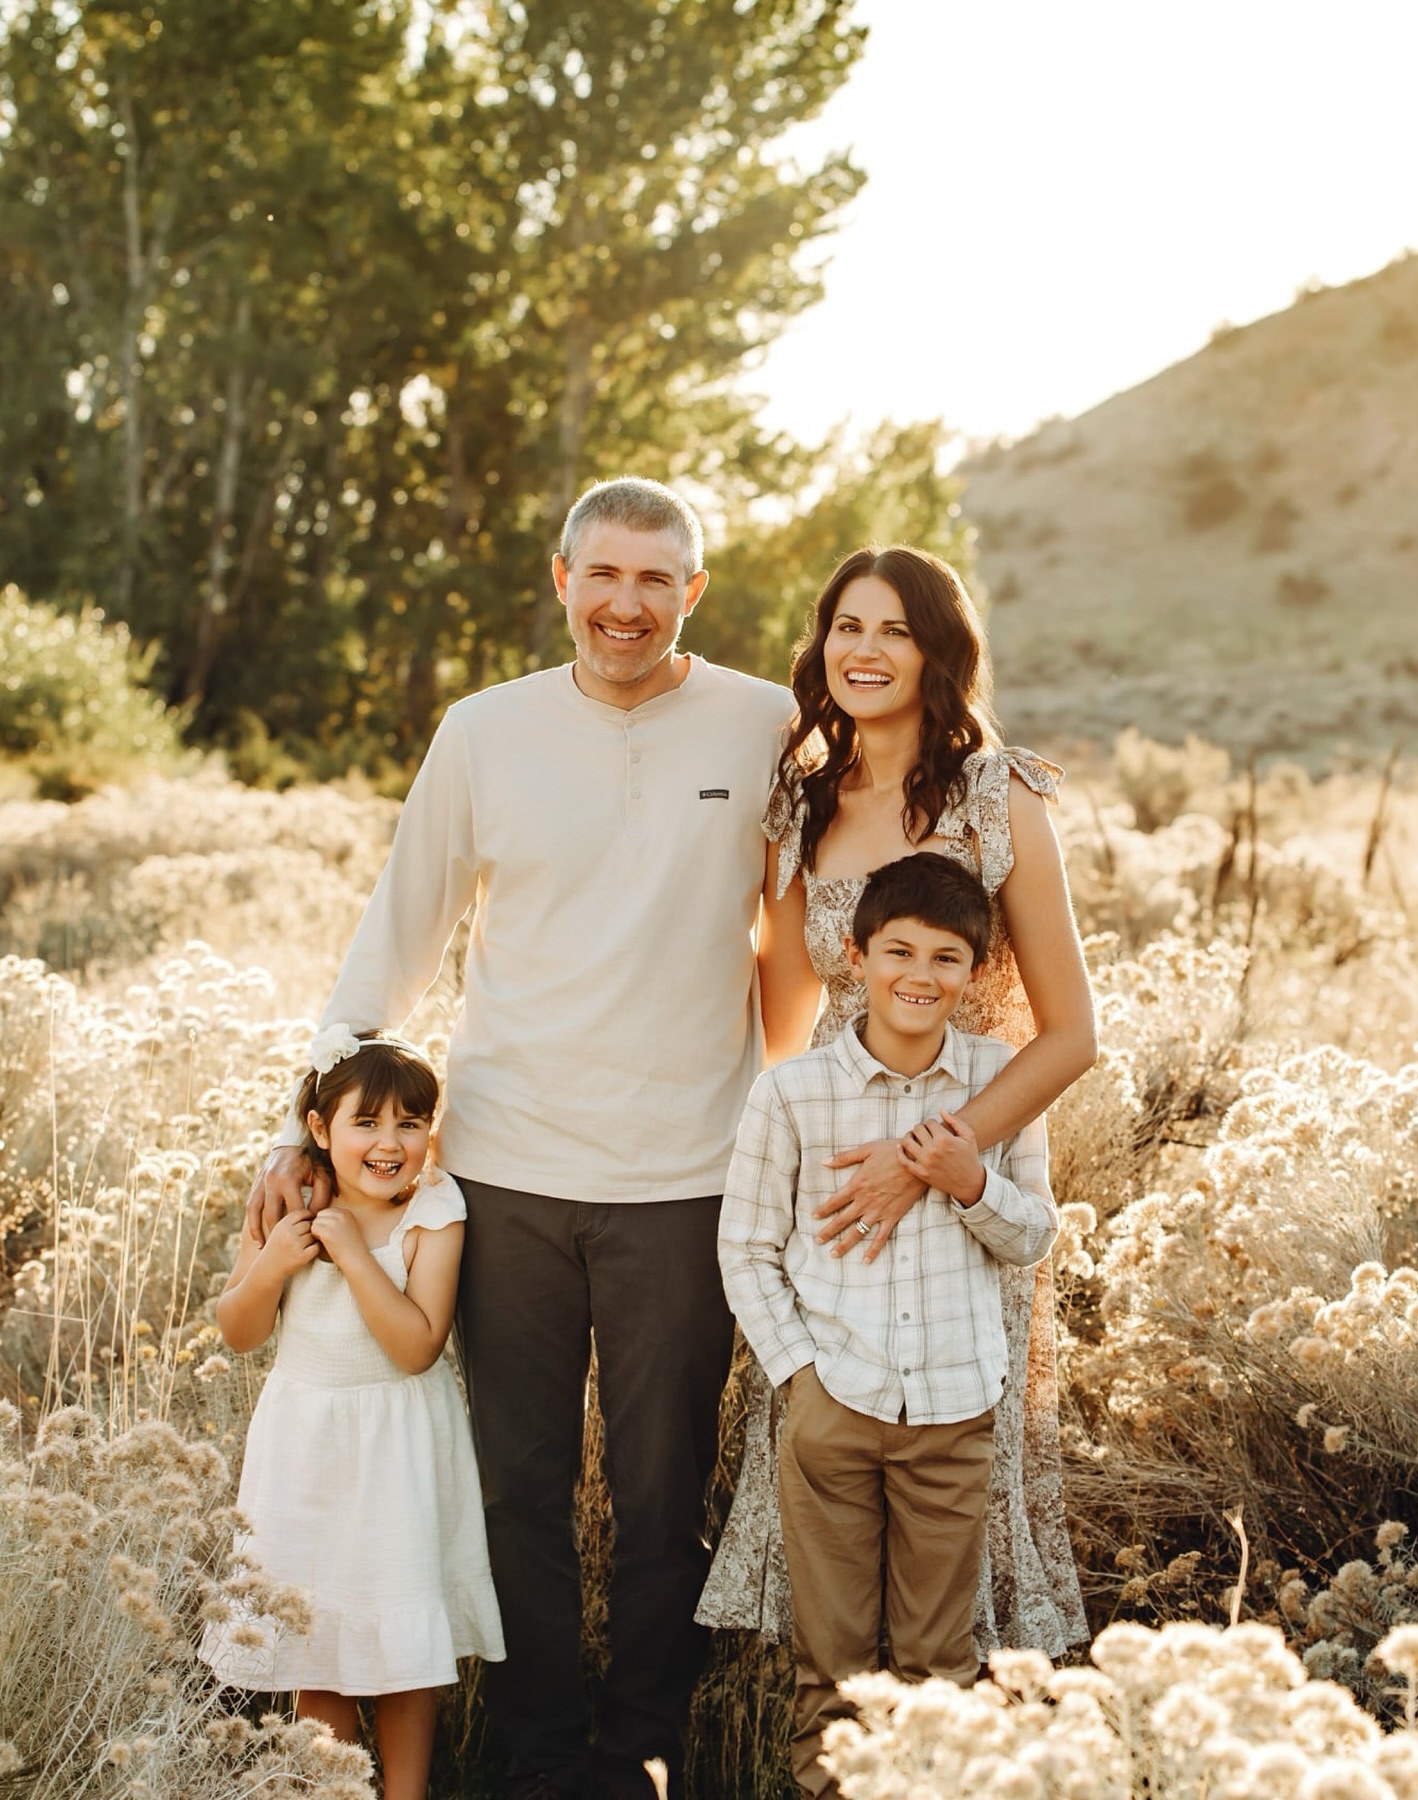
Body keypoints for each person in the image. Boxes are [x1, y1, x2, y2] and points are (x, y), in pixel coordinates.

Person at [249, 477, 801, 1800]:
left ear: (693, 592)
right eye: (603, 576)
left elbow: (807, 925)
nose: (626, 605)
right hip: (502, 1175)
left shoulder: (767, 722)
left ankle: (639, 1757)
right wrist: (302, 1121)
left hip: (688, 1178)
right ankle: (548, 1759)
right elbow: (398, 932)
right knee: (518, 1498)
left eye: (655, 580)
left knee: (669, 1500)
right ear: (561, 580)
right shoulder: (484, 733)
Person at [699, 543, 1097, 1661]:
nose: (865, 652)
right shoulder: (802, 794)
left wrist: (933, 1155)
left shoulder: (996, 792)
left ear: (939, 652)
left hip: (966, 1153)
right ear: (821, 646)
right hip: (832, 1155)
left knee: (952, 1491)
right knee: (824, 1446)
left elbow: (1072, 1033)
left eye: (895, 631)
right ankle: (832, 1733)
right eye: (846, 629)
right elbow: (782, 1020)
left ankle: (953, 1730)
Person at [719, 852, 1060, 1798]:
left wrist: (970, 1181)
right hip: (834, 1409)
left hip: (954, 1411)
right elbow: (745, 1249)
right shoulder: (792, 1094)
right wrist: (802, 1379)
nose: (920, 975)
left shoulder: (1000, 1083)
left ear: (976, 973)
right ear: (854, 953)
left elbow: (1034, 1232)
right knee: (830, 1669)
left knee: (938, 1669)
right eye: (898, 950)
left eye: (947, 957)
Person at [204, 1030, 505, 1800]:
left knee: (403, 1649)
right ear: (319, 1131)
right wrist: (274, 1260)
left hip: (400, 1447)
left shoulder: (436, 1212)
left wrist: (357, 1256)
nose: (389, 1143)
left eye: (410, 1123)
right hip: (304, 1446)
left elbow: (415, 1347)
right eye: (365, 1123)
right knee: (316, 1641)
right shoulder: (288, 1200)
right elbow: (238, 1330)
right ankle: (330, 1790)